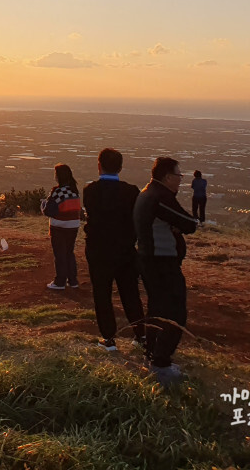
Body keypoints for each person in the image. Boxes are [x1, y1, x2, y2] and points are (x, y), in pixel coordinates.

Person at [134, 157, 197, 385]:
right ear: (168, 177)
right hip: (160, 262)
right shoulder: (160, 197)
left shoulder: (147, 192)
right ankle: (160, 363)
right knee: (175, 312)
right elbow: (189, 223)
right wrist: (181, 226)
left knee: (157, 308)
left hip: (150, 260)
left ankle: (152, 356)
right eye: (179, 176)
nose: (180, 181)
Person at [82, 148, 146, 351]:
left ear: (99, 165)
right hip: (126, 251)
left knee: (102, 294)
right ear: (120, 167)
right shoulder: (132, 191)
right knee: (130, 293)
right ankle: (141, 335)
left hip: (99, 251)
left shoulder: (90, 191)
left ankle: (108, 339)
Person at [41, 164, 82, 290]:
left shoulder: (57, 192)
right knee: (69, 252)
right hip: (74, 226)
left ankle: (60, 282)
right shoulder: (74, 191)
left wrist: (43, 205)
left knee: (60, 254)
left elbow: (49, 211)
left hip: (59, 226)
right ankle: (73, 280)